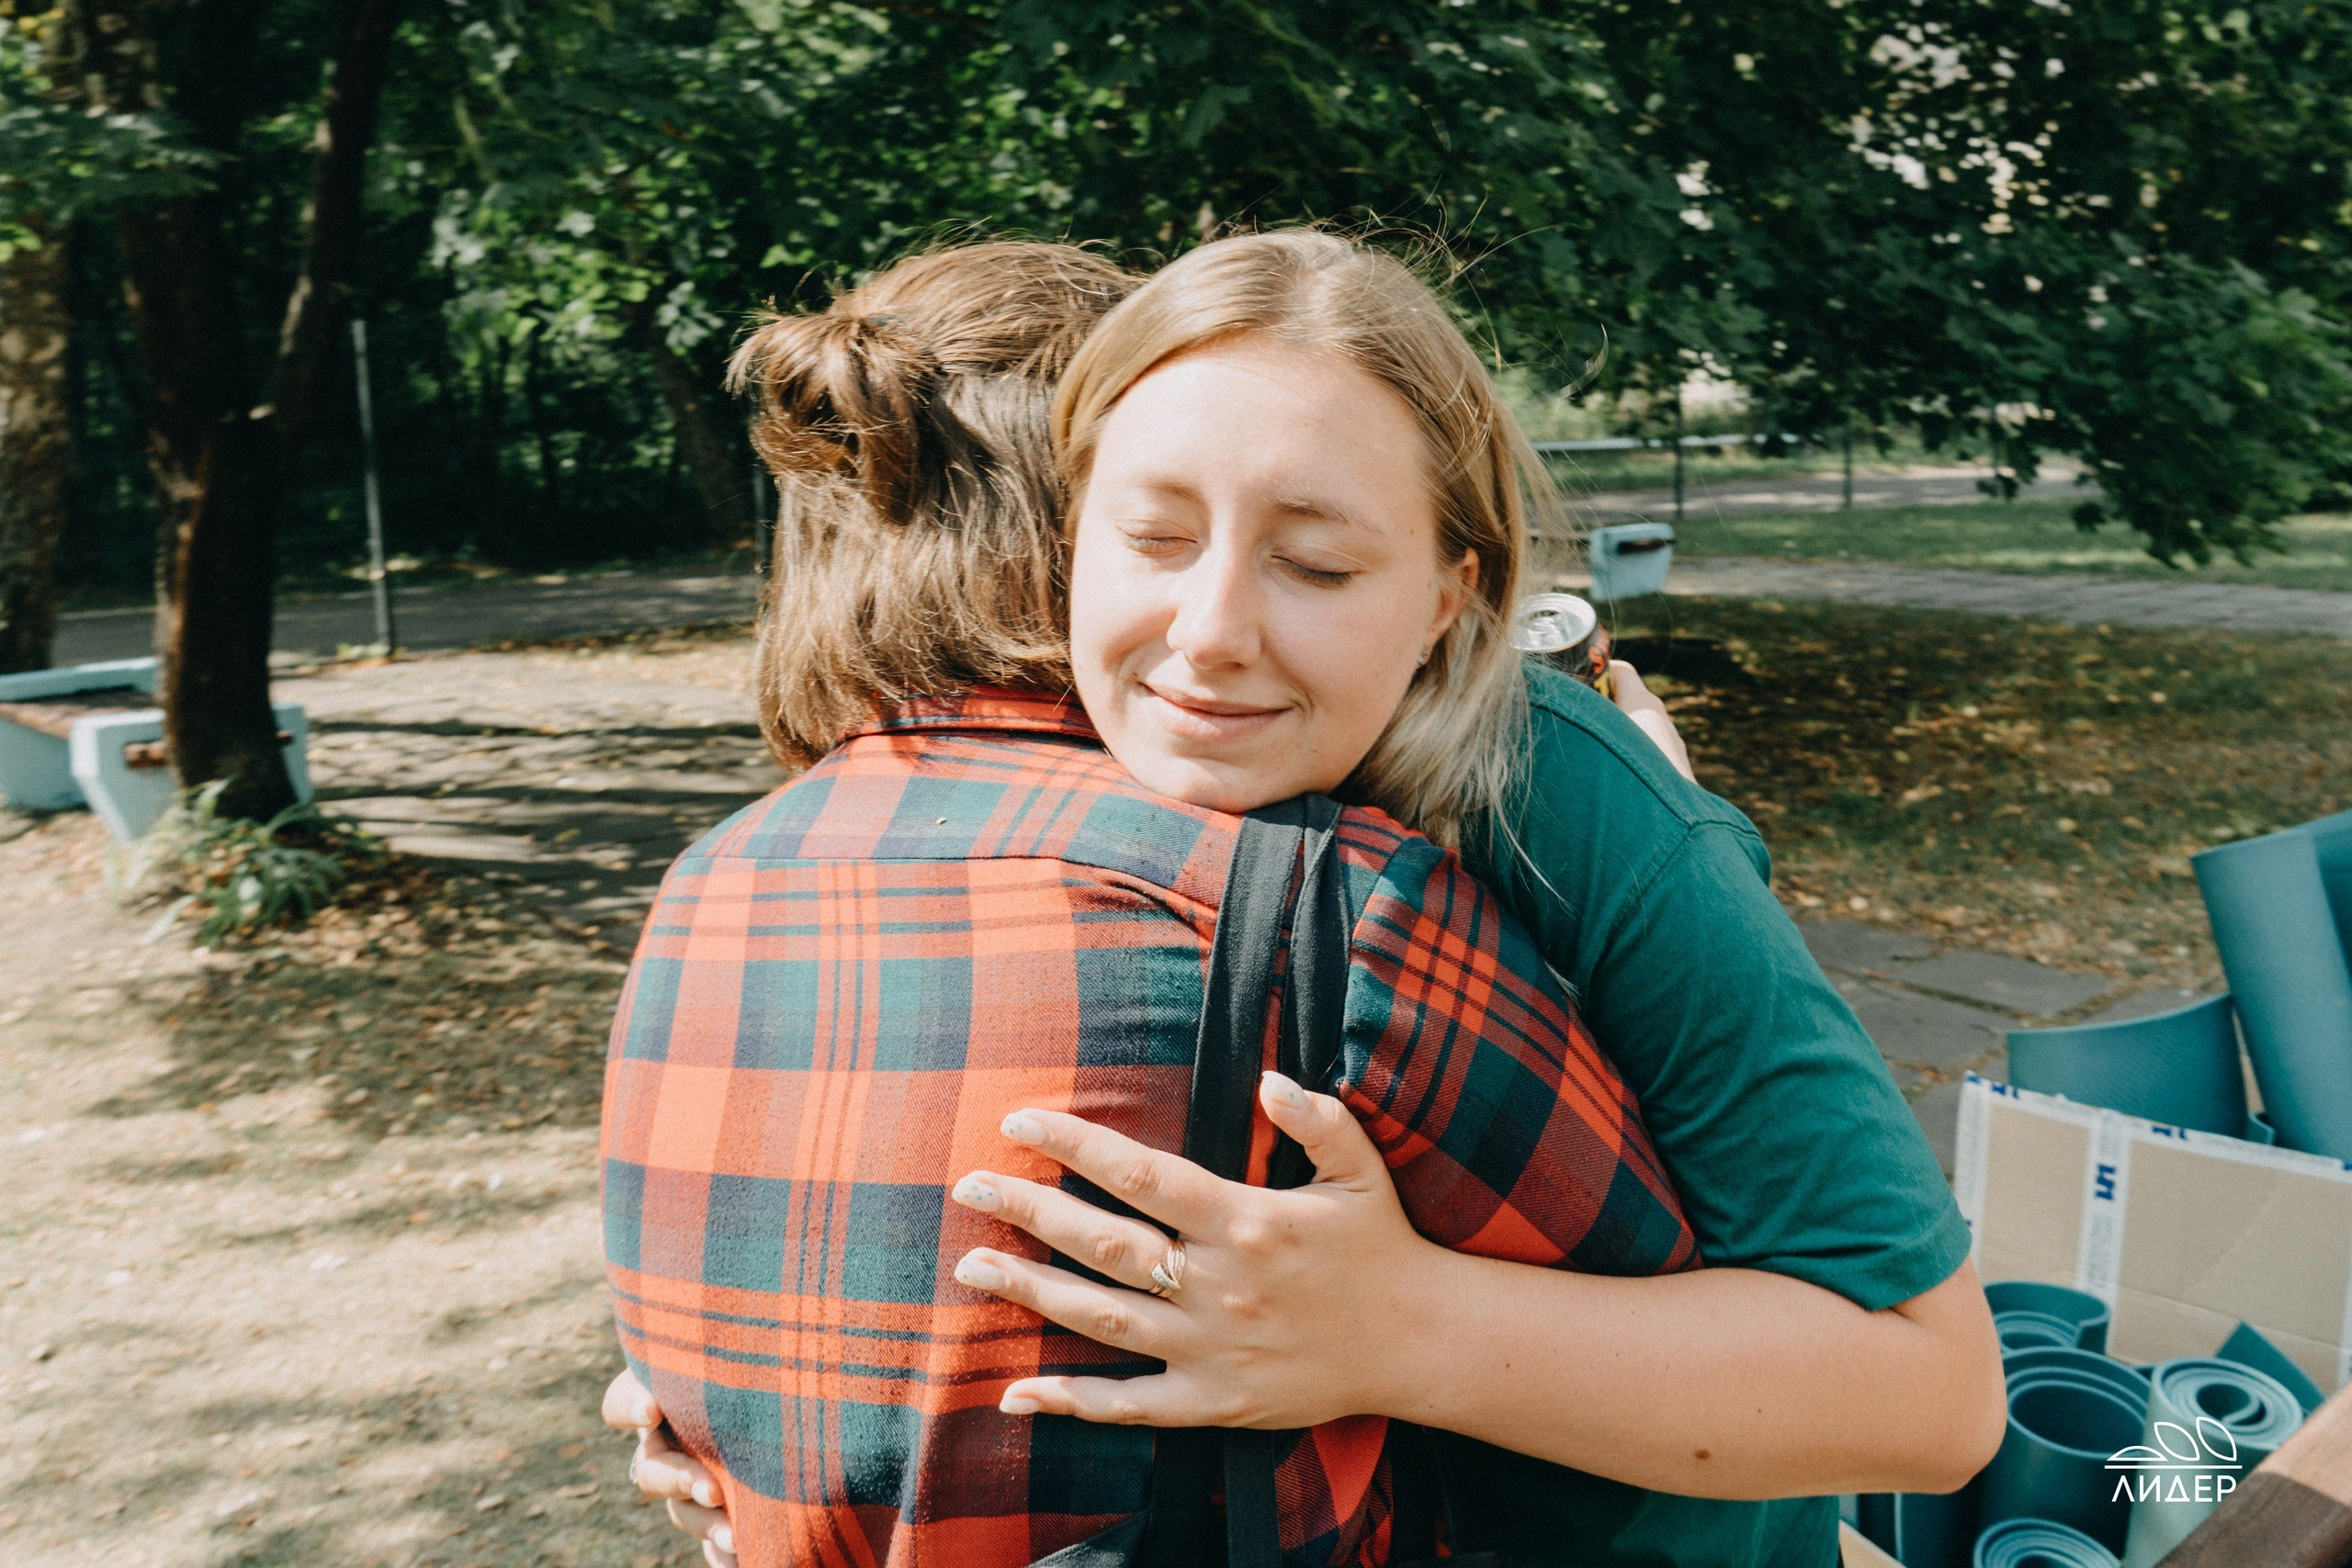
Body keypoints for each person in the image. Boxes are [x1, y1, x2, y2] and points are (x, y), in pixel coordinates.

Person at [612, 231, 2005, 1567]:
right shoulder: (1102, 764)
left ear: (1455, 597)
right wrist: (759, 1415)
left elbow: (1932, 1400)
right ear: (1069, 544)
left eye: (1319, 563)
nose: (1211, 630)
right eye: (1149, 533)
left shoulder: (1561, 793)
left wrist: (1404, 1327)